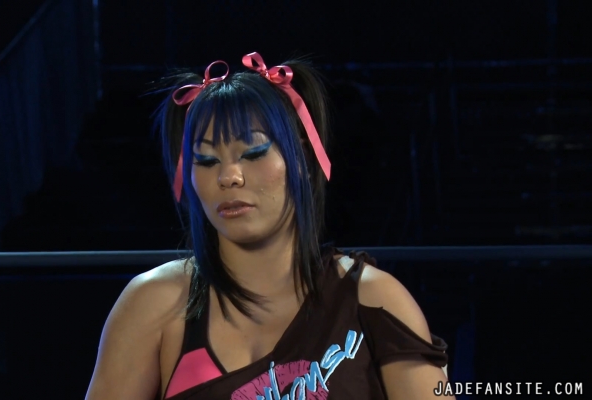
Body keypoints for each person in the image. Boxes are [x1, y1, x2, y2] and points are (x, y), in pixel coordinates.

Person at [85, 52, 452, 400]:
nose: (229, 176)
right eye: (207, 160)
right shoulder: (153, 304)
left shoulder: (374, 300)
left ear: (303, 158)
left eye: (254, 153)